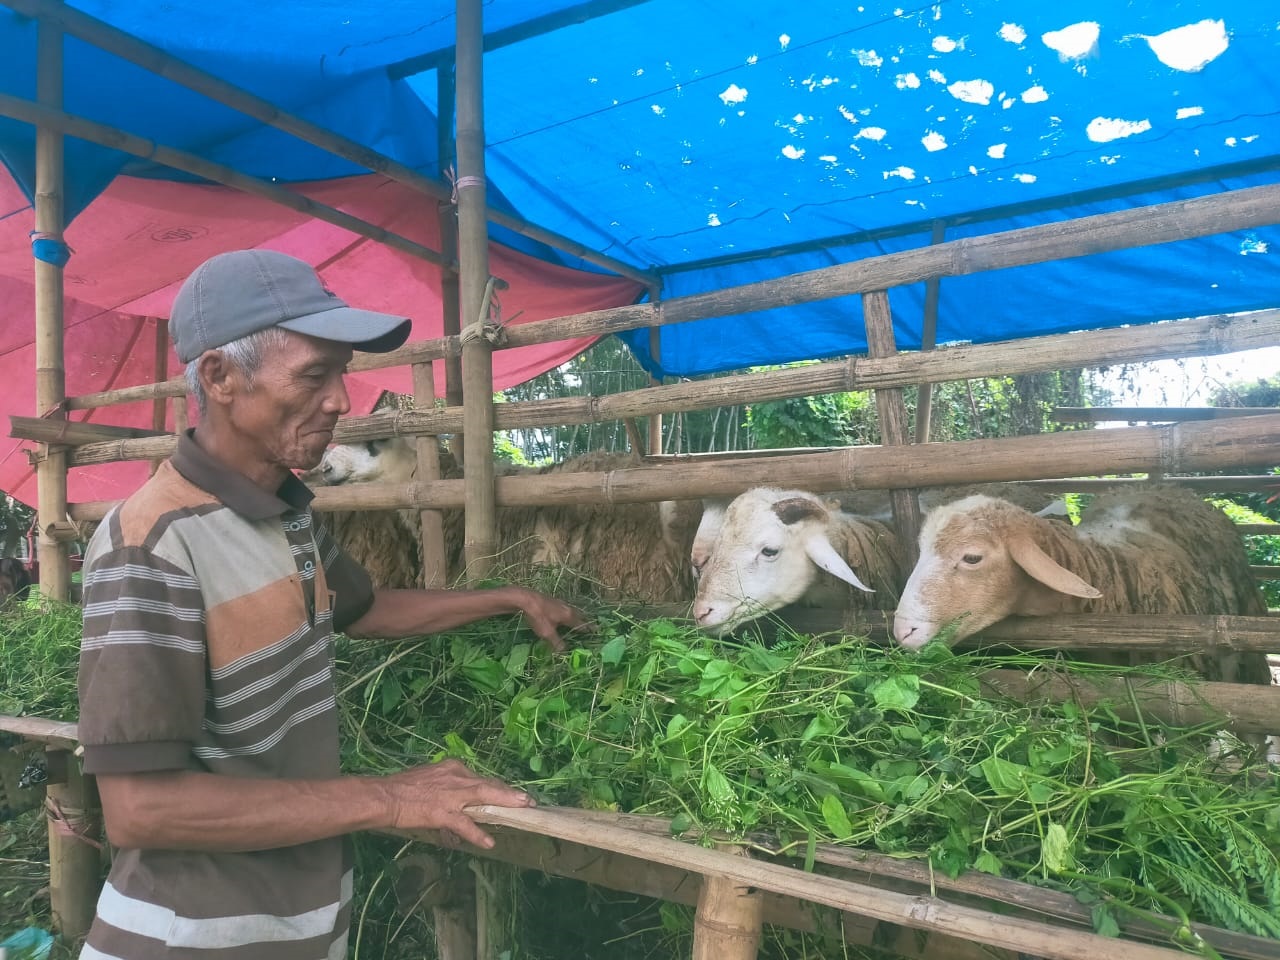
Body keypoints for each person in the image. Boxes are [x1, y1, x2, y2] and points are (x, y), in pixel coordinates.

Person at [77, 249, 588, 959]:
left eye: (342, 371)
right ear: (221, 377)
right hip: (191, 934)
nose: (343, 400)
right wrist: (391, 797)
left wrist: (507, 597)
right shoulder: (151, 545)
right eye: (315, 373)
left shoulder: (287, 511)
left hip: (301, 916)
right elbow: (141, 809)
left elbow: (362, 610)